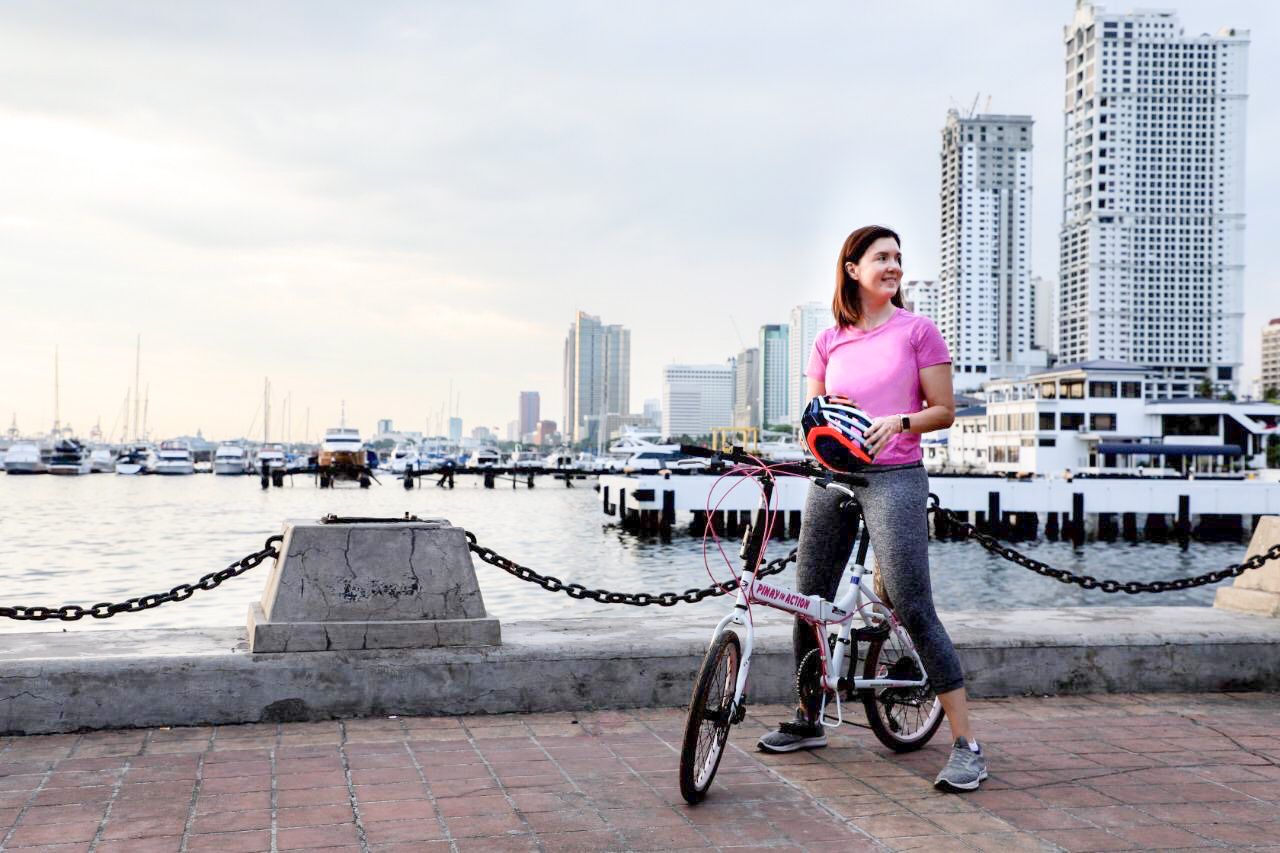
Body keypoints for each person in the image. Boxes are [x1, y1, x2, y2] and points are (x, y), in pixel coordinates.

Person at [756, 225, 987, 792]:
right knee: (809, 600)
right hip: (833, 475)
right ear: (852, 268)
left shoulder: (918, 331)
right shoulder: (828, 340)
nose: (893, 266)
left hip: (896, 475)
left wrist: (899, 422)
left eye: (898, 259)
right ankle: (809, 718)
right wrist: (820, 413)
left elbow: (945, 410)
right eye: (882, 257)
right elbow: (810, 409)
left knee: (910, 599)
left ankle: (966, 746)